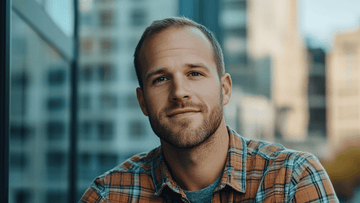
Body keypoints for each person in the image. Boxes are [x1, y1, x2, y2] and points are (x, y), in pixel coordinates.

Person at [79, 17, 339, 203]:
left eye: (194, 73)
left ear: (225, 89)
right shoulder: (108, 195)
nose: (179, 91)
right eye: (160, 79)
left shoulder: (293, 180)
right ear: (143, 101)